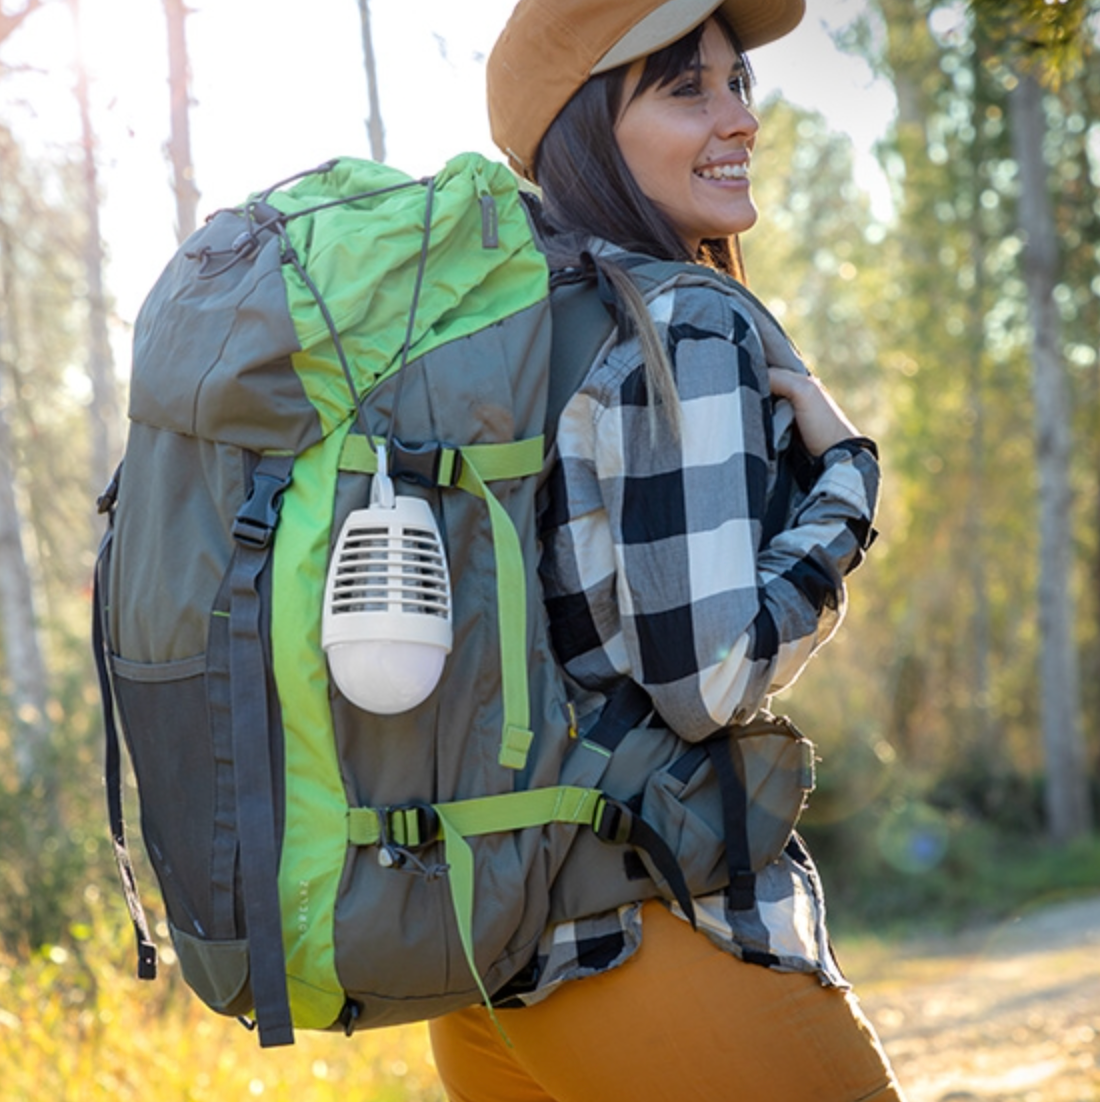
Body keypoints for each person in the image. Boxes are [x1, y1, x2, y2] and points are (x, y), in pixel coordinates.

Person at [429, 2, 908, 1099]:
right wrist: (845, 488)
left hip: (486, 982)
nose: (737, 117)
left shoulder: (500, 337)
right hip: (652, 944)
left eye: (737, 82)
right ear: (589, 126)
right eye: (685, 89)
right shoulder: (682, 318)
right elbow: (702, 674)